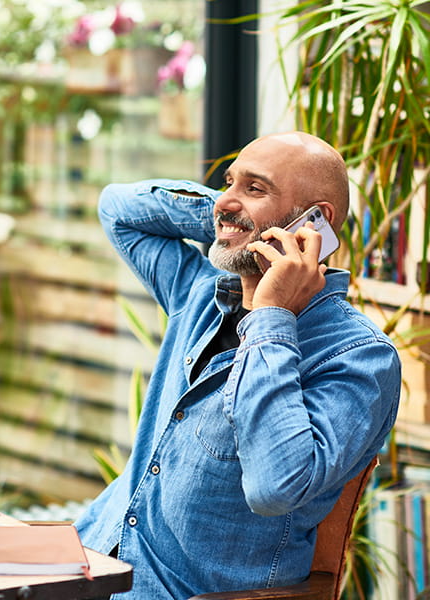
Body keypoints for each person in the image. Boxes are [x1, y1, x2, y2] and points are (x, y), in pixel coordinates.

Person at [74, 132, 401, 599]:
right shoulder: (200, 292)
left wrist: (271, 316)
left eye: (255, 188)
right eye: (229, 182)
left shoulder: (360, 357)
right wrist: (231, 217)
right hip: (84, 564)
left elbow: (275, 487)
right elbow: (118, 209)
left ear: (316, 221)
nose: (227, 199)